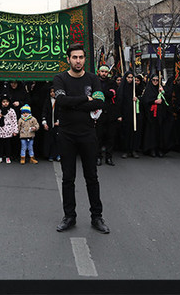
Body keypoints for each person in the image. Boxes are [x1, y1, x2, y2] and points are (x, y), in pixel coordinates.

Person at [53, 43, 109, 234]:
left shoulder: (93, 79)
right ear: (68, 59)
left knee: (91, 176)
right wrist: (86, 100)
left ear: (85, 59)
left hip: (88, 134)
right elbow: (61, 101)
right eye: (74, 57)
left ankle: (97, 217)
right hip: (66, 135)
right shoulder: (60, 78)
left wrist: (73, 103)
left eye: (81, 57)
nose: (78, 61)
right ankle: (69, 216)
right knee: (68, 178)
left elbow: (100, 102)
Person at [94, 65, 119, 165]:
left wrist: (101, 93)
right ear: (99, 72)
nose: (104, 73)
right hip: (99, 113)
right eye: (102, 71)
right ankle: (98, 157)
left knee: (110, 137)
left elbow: (112, 94)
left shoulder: (112, 83)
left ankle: (109, 157)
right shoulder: (95, 82)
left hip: (110, 113)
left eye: (106, 72)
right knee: (98, 137)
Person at [0, 93, 18, 163]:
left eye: (7, 102)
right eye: (3, 102)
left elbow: (14, 121)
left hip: (8, 130)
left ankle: (8, 157)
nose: (5, 103)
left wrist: (15, 130)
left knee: (8, 145)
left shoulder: (11, 110)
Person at [40, 85, 61, 162]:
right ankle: (50, 155)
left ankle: (58, 155)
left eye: (54, 92)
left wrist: (59, 121)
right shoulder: (47, 101)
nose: (52, 93)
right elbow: (44, 112)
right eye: (51, 92)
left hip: (57, 124)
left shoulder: (60, 101)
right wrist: (44, 123)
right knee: (50, 140)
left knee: (58, 140)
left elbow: (62, 112)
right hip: (49, 124)